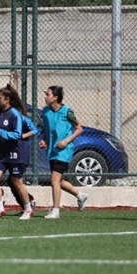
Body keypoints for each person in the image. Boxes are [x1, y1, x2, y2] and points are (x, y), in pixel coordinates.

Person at [38, 85, 89, 219]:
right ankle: (80, 195)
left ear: (55, 97)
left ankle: (55, 210)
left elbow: (79, 129)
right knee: (59, 181)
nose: (45, 97)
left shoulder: (67, 111)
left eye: (48, 94)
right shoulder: (46, 111)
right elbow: (47, 129)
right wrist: (44, 140)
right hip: (52, 150)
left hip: (64, 151)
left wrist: (66, 141)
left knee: (54, 179)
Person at [0, 84, 34, 220]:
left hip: (15, 152)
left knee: (16, 182)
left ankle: (28, 209)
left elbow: (17, 134)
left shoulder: (15, 114)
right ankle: (0, 208)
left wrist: (0, 132)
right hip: (2, 153)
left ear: (7, 100)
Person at [9, 111, 39, 216]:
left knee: (15, 180)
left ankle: (28, 203)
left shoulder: (21, 118)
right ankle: (26, 204)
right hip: (9, 153)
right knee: (12, 181)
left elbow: (34, 130)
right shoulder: (4, 116)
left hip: (20, 153)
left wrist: (21, 136)